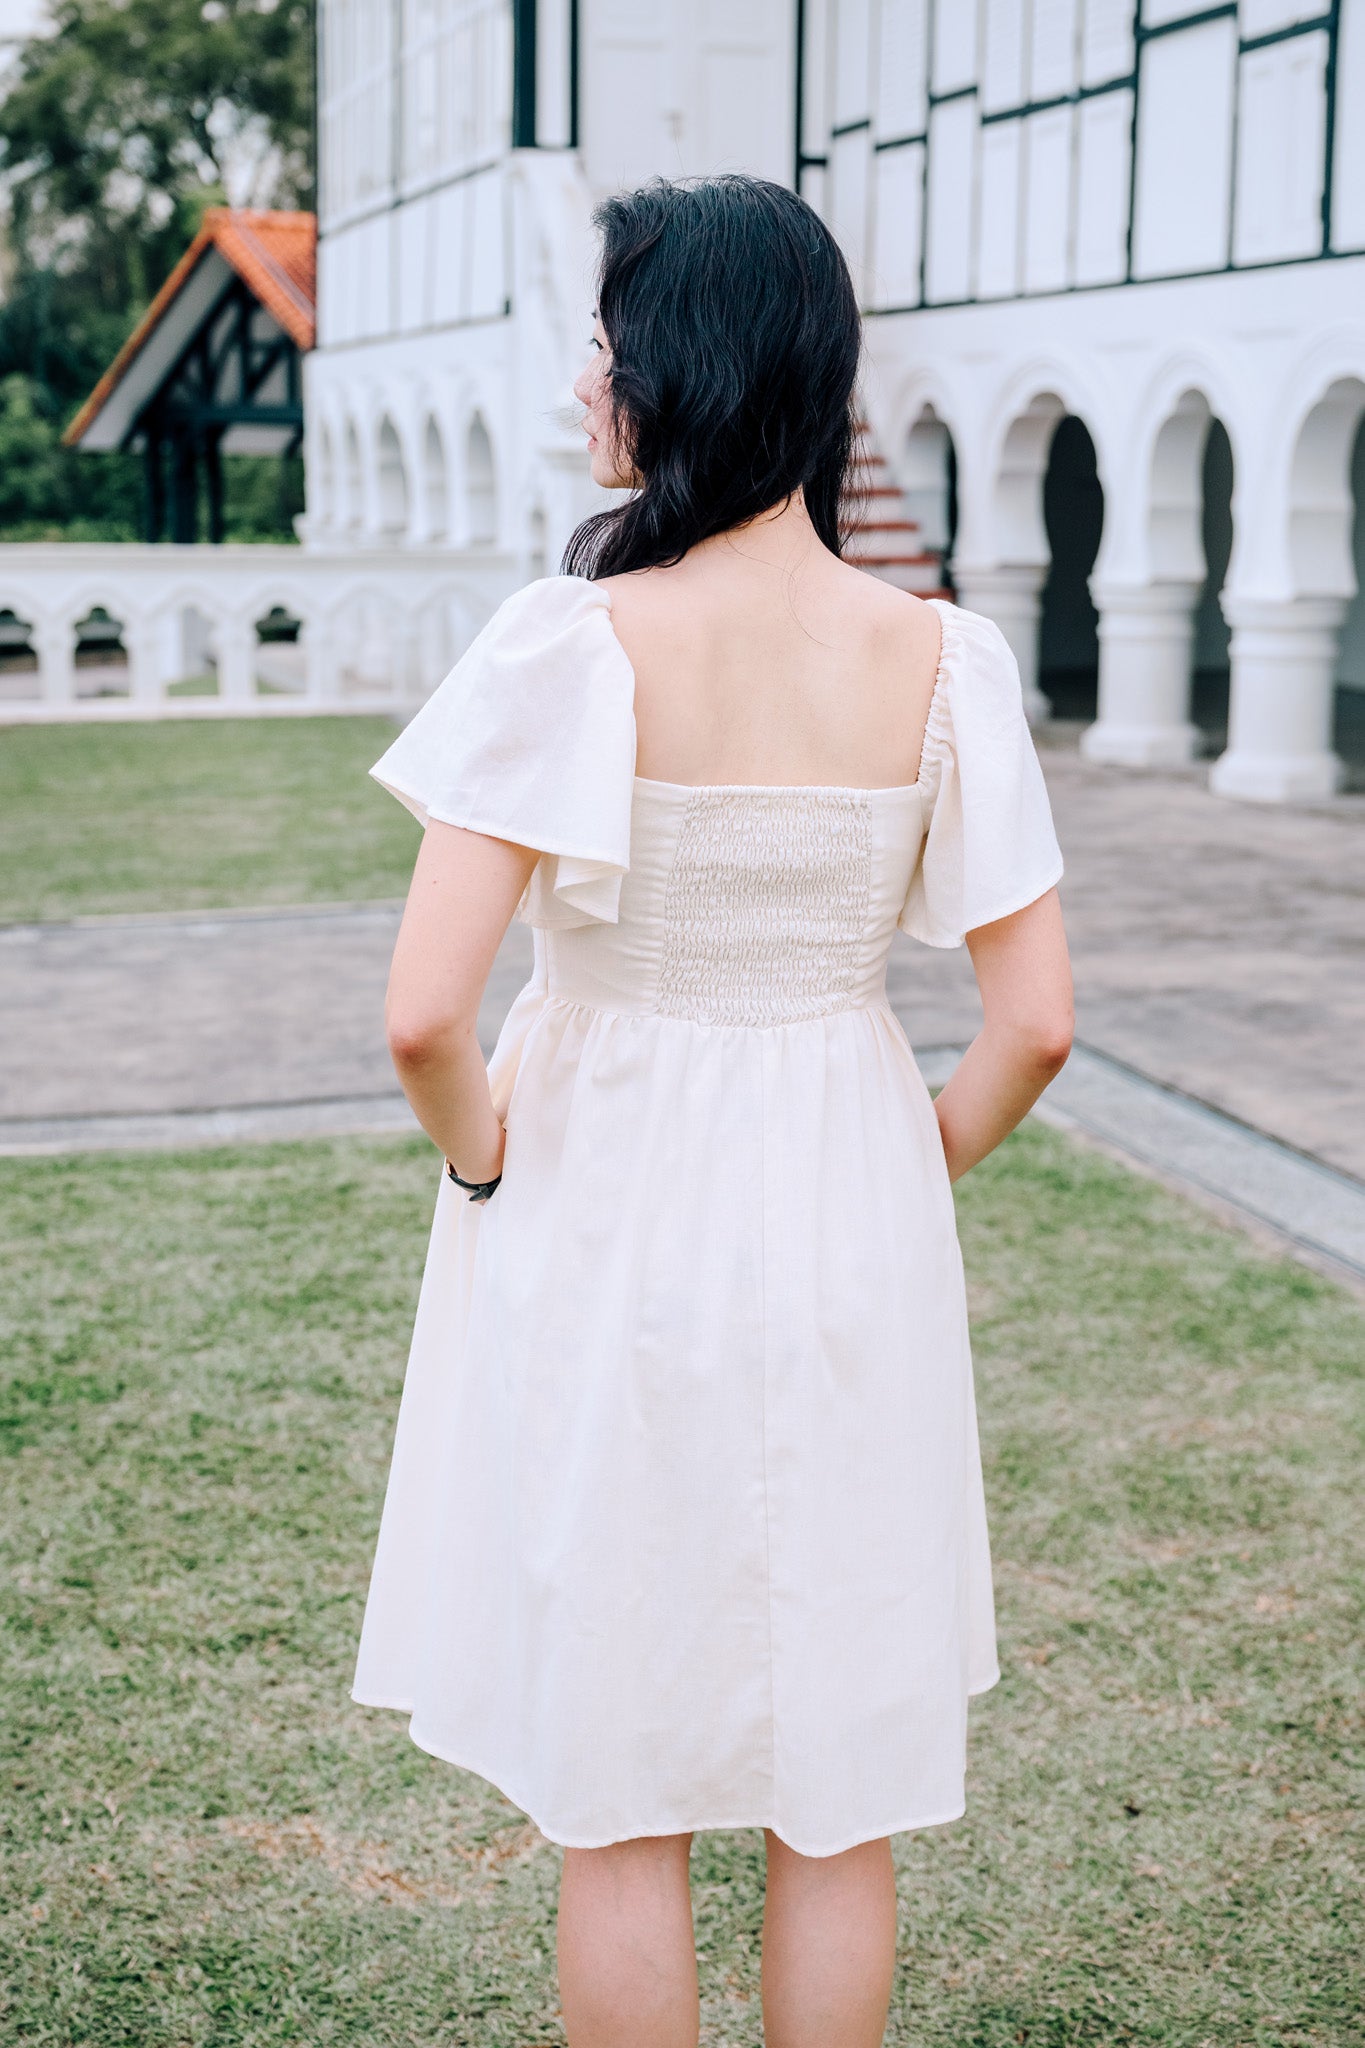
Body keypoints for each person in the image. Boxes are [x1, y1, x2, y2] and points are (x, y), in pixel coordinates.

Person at [352, 174, 1073, 2048]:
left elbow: (428, 1011)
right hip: (847, 1181)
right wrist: (894, 1166)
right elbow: (1036, 1026)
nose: (589, 371)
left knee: (626, 1784)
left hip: (603, 1190)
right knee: (837, 1785)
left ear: (660, 373)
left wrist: (484, 1152)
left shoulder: (572, 642)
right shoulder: (942, 659)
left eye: (604, 339)